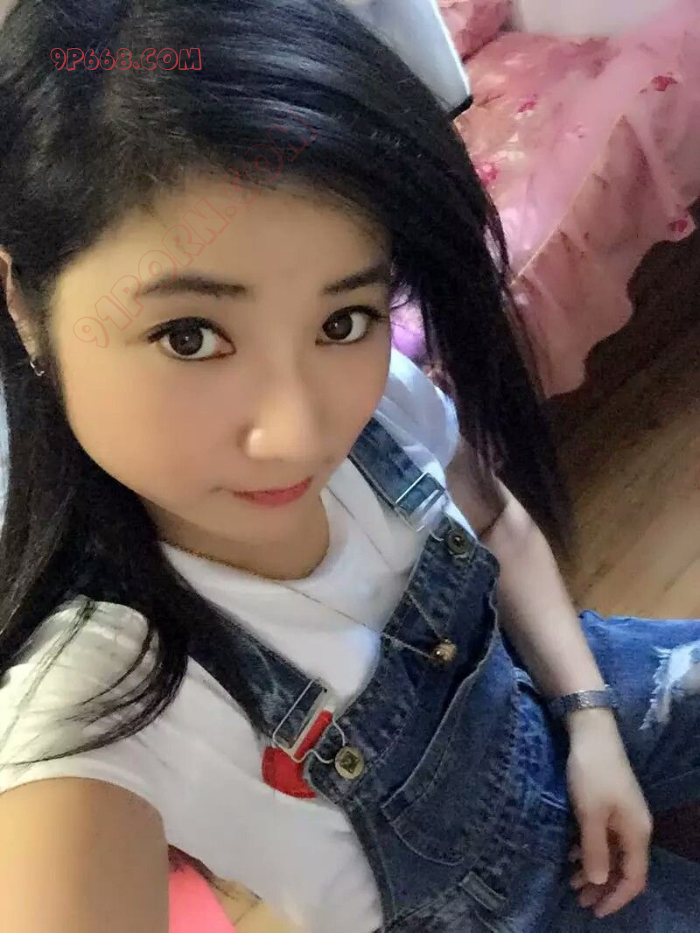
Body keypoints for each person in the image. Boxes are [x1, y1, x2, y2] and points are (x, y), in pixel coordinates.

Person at [0, 2, 698, 932]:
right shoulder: (96, 697)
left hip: (567, 688)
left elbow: (497, 522)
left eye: (342, 318)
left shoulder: (383, 399)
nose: (297, 434)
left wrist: (591, 717)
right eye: (190, 334)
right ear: (23, 305)